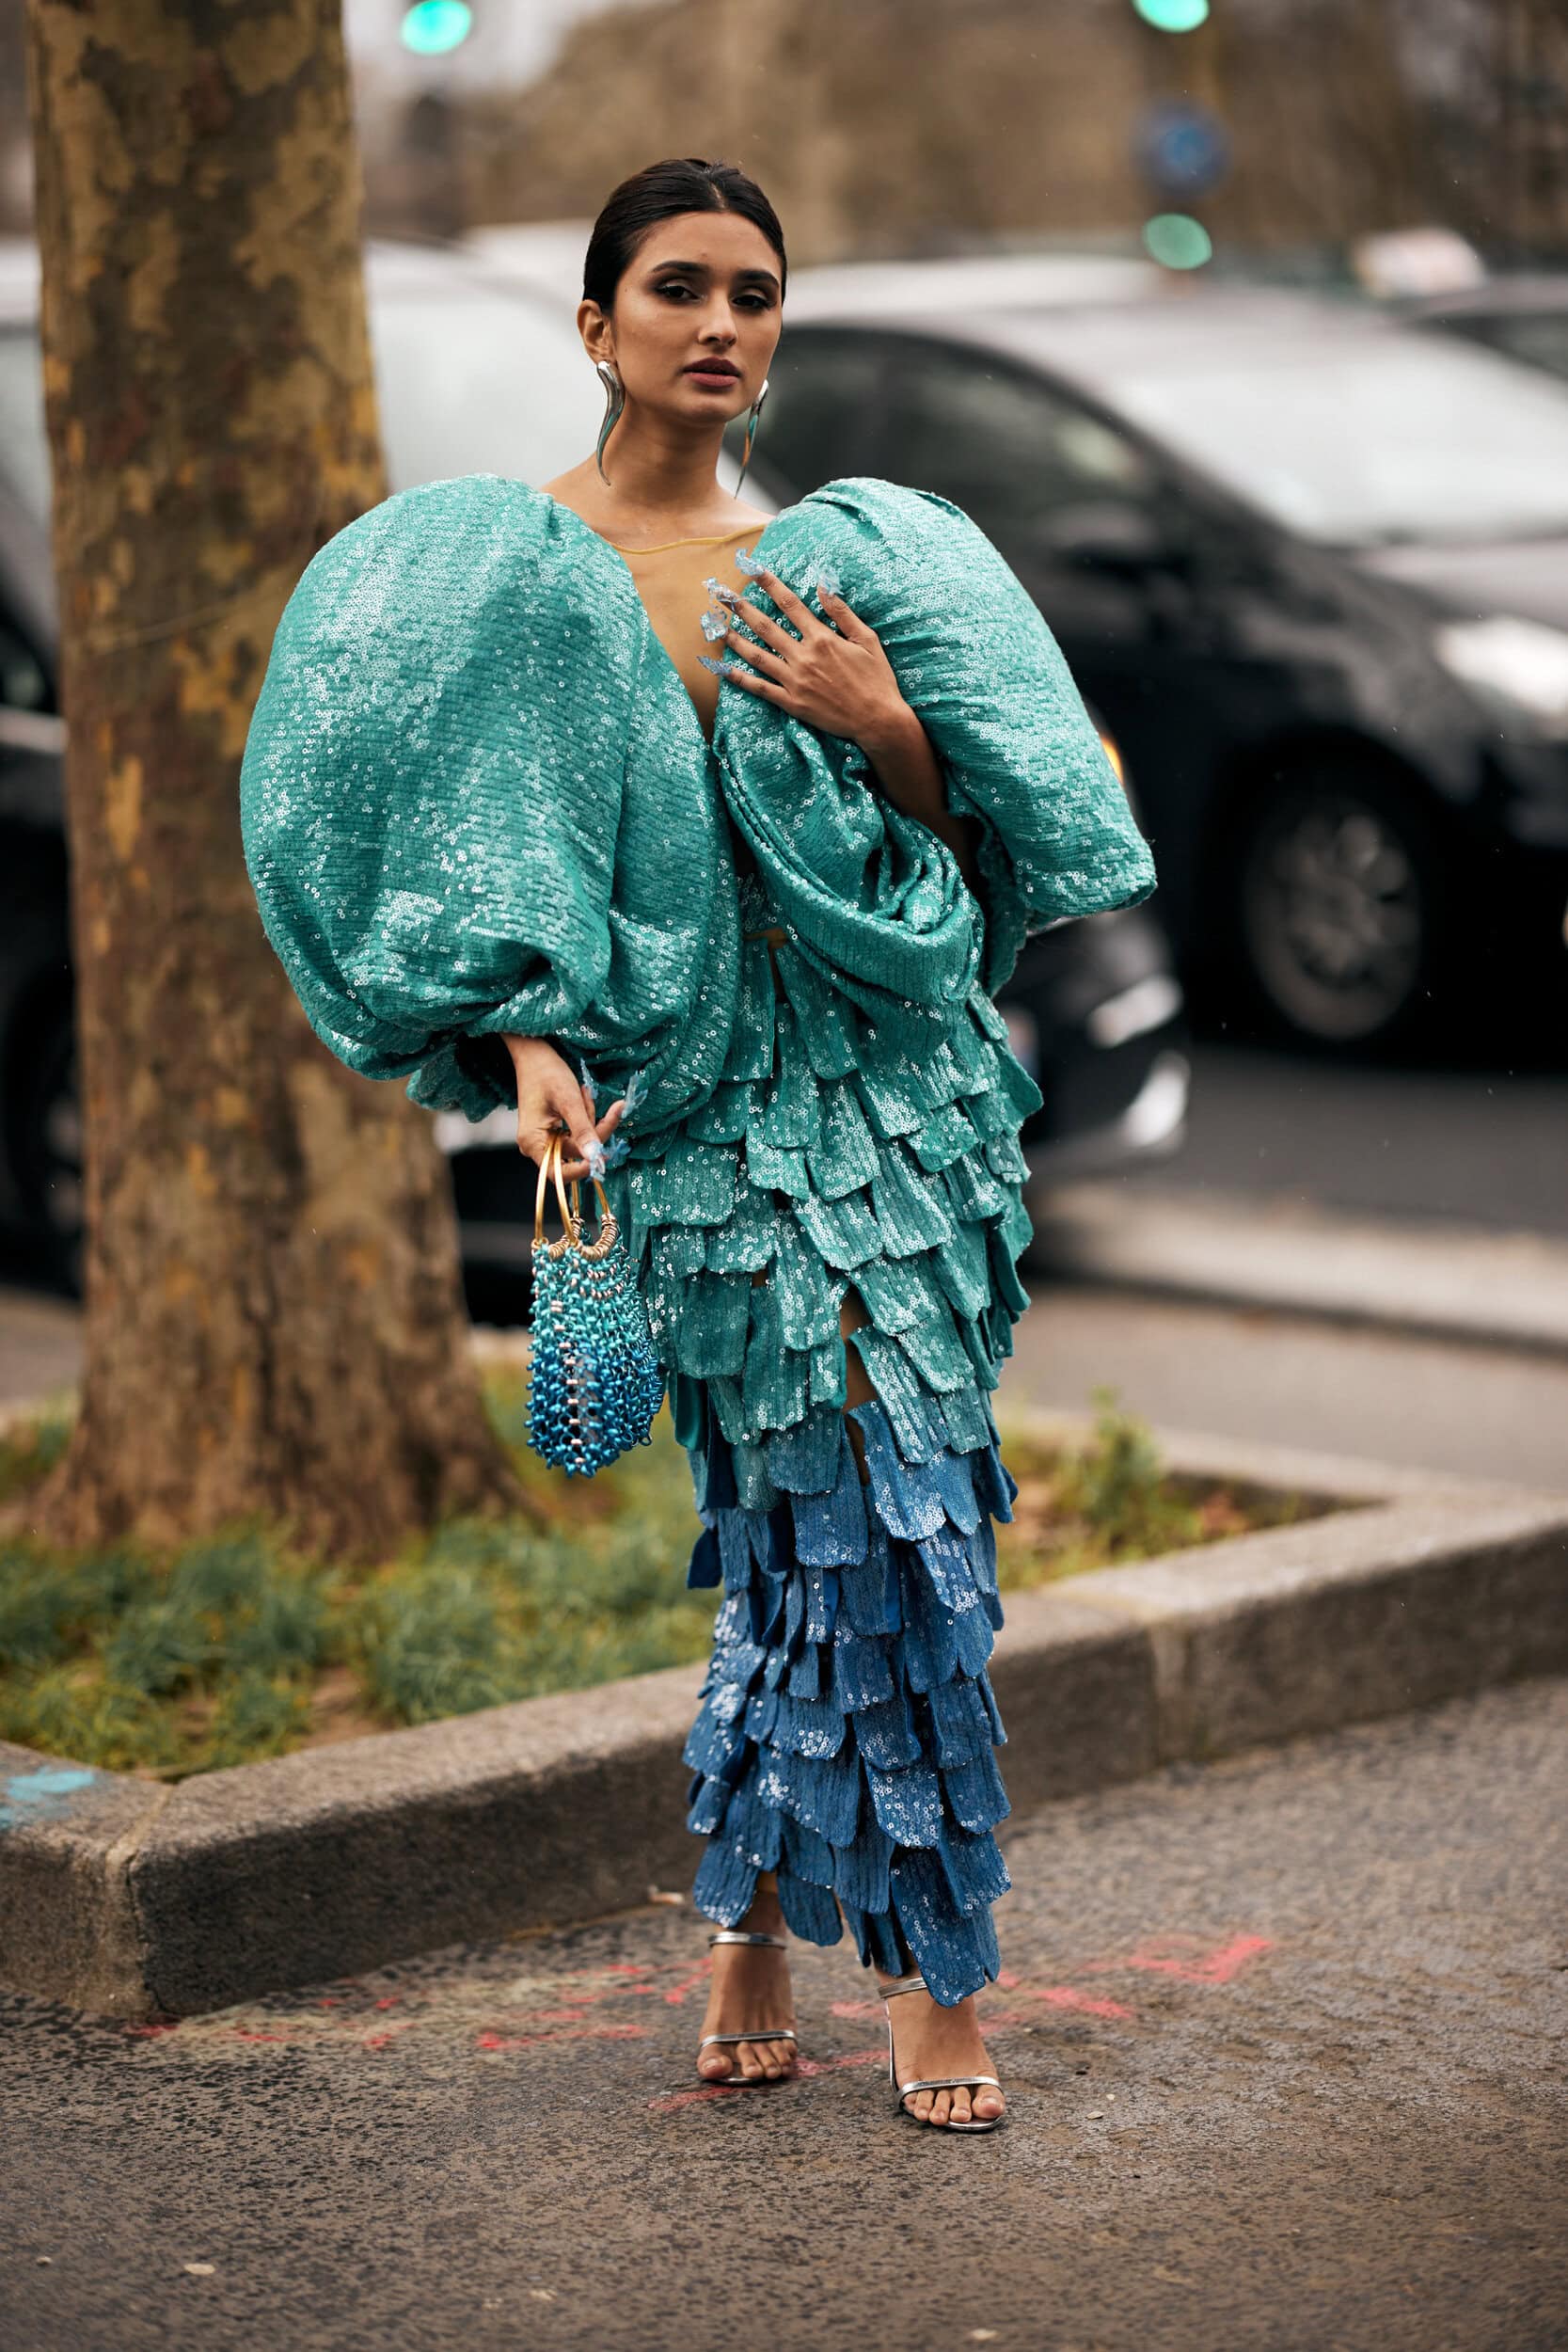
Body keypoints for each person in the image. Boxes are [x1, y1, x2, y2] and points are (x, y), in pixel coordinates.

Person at [240, 155, 1157, 2134]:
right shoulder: (519, 573)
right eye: (679, 287)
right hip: (713, 1114)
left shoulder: (850, 559)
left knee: (884, 1515)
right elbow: (502, 851)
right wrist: (525, 1039)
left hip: (906, 1093)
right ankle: (848, 1935)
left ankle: (829, 1935)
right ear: (597, 326)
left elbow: (992, 846)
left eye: (754, 290)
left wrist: (883, 713)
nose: (723, 323)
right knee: (822, 1519)